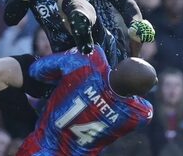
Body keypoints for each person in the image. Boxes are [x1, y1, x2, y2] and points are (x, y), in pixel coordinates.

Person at [0, 0, 155, 137]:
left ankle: (85, 44)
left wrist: (137, 23)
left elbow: (124, 2)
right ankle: (37, 132)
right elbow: (10, 18)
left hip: (106, 59)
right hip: (64, 67)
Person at [16, 44, 157, 155]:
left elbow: (36, 70)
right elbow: (134, 86)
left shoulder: (92, 59)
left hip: (38, 150)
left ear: (119, 65)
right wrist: (136, 50)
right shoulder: (137, 114)